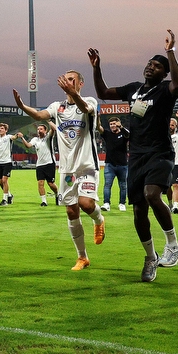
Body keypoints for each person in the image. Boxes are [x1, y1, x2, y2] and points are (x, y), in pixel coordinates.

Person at [90, 30, 178, 282]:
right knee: (138, 211)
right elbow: (103, 92)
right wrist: (97, 68)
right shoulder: (134, 89)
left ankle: (173, 246)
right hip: (137, 156)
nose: (150, 68)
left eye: (156, 66)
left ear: (164, 73)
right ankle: (150, 257)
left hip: (160, 152)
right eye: (149, 64)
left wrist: (170, 52)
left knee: (152, 194)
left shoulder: (166, 89)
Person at [15, 70, 106, 271]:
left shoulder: (89, 101)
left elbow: (84, 107)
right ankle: (82, 257)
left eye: (72, 79)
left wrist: (73, 94)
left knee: (86, 203)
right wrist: (22, 106)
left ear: (80, 84)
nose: (68, 82)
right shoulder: (58, 107)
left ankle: (99, 220)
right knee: (71, 210)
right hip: (67, 170)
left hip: (87, 165)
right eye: (66, 79)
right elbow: (39, 115)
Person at [17, 122, 59, 206]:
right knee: (40, 183)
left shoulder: (48, 137)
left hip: (49, 163)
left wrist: (50, 121)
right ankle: (44, 201)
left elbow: (53, 129)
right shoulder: (35, 139)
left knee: (50, 183)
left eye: (41, 129)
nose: (39, 131)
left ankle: (57, 194)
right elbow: (28, 146)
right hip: (39, 164)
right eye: (38, 129)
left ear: (45, 131)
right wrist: (22, 138)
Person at [98, 116, 130, 212]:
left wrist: (121, 127)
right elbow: (99, 128)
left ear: (118, 124)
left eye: (114, 124)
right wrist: (97, 118)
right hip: (110, 164)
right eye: (111, 124)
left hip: (123, 165)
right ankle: (106, 203)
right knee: (107, 184)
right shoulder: (107, 134)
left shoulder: (123, 134)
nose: (112, 126)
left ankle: (122, 203)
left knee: (123, 185)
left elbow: (128, 135)